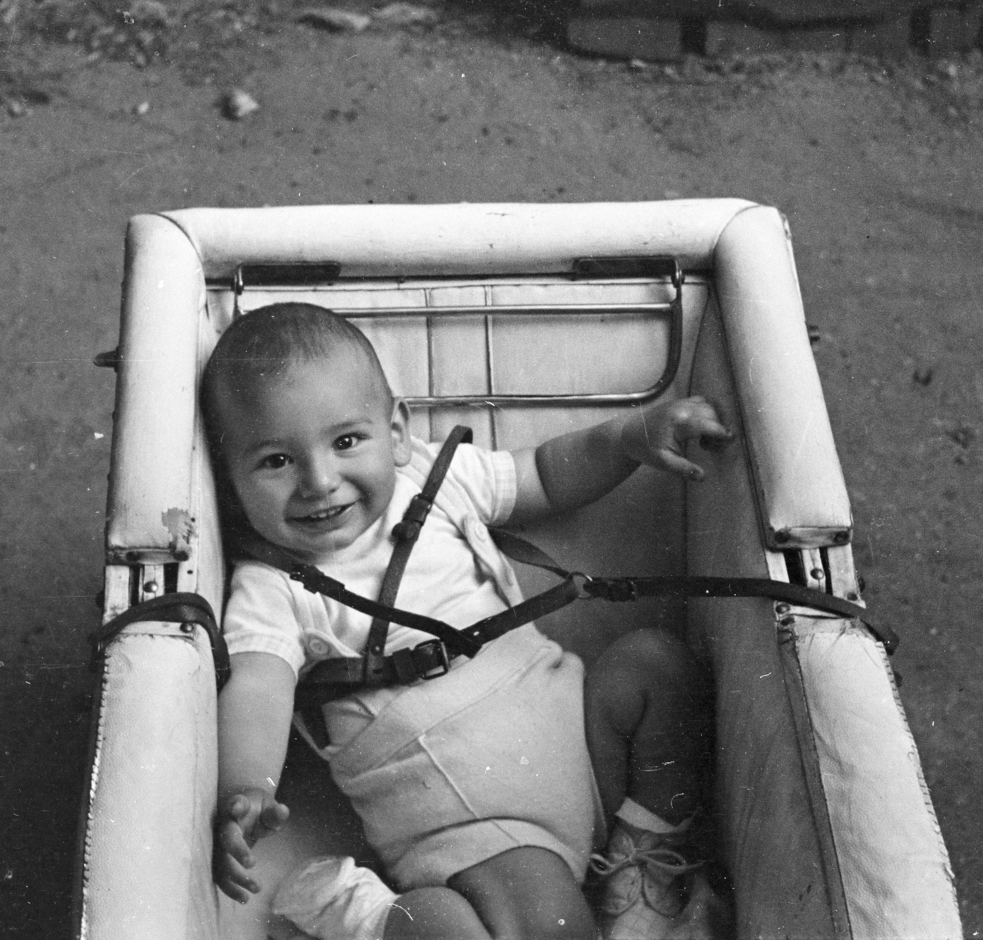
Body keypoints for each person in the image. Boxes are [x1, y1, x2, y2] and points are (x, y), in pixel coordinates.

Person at [204, 301, 730, 940]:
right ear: (230, 483)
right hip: (472, 821)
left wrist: (626, 439)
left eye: (346, 442)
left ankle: (639, 861)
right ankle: (363, 914)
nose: (319, 481)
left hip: (583, 747)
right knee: (538, 929)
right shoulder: (271, 586)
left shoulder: (434, 478)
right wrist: (249, 785)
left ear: (396, 432)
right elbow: (259, 687)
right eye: (275, 461)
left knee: (656, 665)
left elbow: (542, 475)